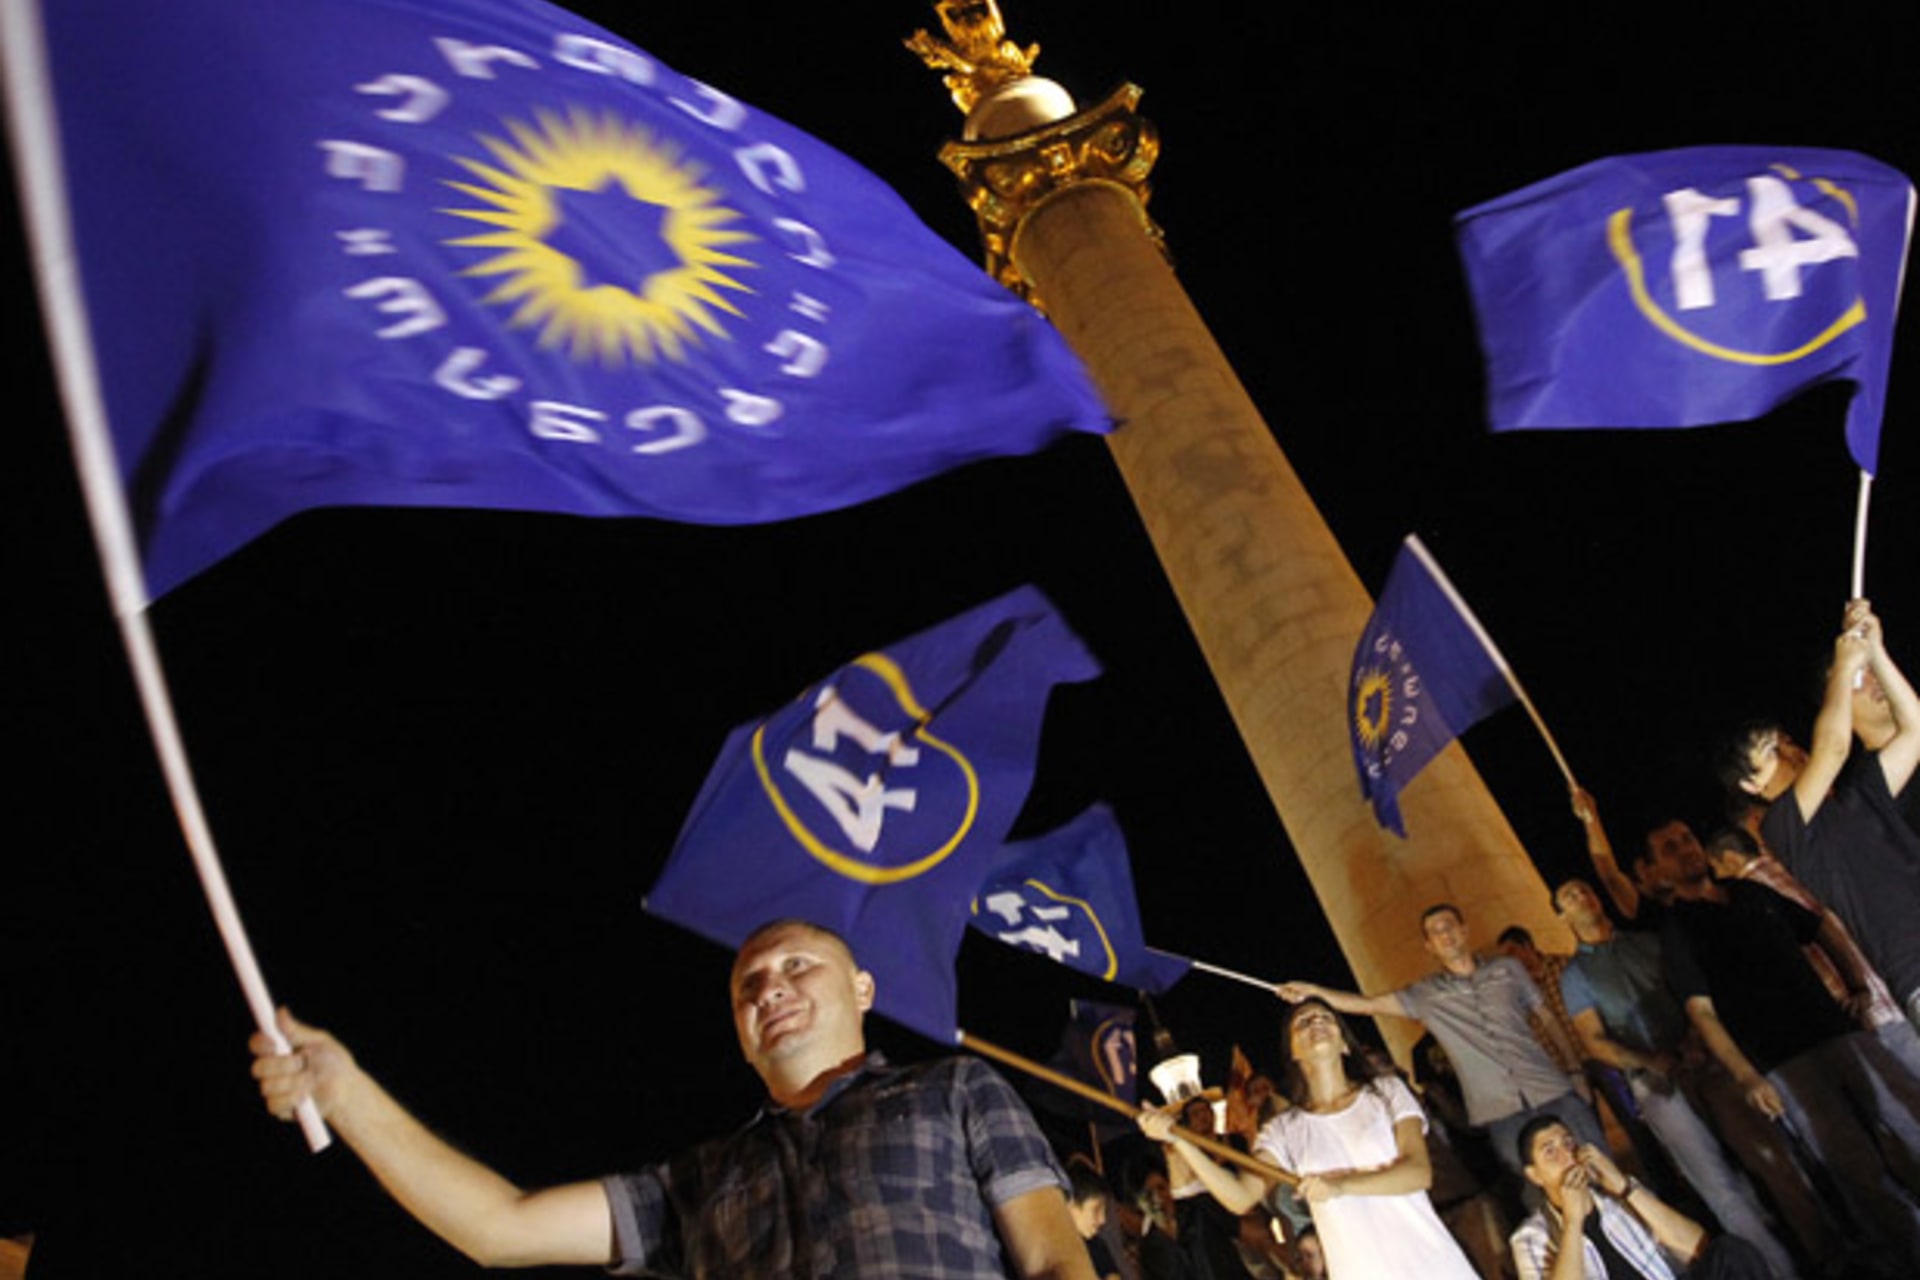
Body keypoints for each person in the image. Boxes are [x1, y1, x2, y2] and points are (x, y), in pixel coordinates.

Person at [250, 918, 1094, 1278]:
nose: (770, 987)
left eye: (798, 965)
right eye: (748, 985)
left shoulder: (950, 1089)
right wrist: (348, 1093)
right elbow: (501, 1228)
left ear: (863, 987)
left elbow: (1057, 1260)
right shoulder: (699, 1180)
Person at [1657, 832, 1920, 1264]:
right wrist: (1746, 1075)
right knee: (1857, 1170)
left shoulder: (1749, 892)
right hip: (1785, 1064)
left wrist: (1856, 984)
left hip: (1839, 1033)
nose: (1685, 848)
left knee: (1908, 1119)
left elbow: (1821, 927)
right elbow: (1703, 1014)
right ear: (1659, 871)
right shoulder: (1680, 930)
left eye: (1687, 839)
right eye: (1670, 848)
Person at [1551, 877, 1799, 1278]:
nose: (1581, 896)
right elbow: (1592, 1038)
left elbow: (1690, 994)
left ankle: (1821, 1249)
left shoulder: (1647, 942)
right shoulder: (1575, 974)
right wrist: (1651, 1060)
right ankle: (1773, 1272)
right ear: (1561, 916)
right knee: (1718, 1186)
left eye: (1584, 889)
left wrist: (1693, 1040)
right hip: (1655, 1085)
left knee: (1770, 1161)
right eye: (1568, 896)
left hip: (1704, 1062)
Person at [1136, 997, 1478, 1279]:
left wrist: (1339, 1187)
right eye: (1303, 1022)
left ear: (1344, 1043)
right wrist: (1179, 1141)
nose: (1316, 1023)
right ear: (1294, 1051)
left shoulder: (1385, 1092)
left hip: (1429, 1258)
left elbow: (1418, 1172)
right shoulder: (1284, 1129)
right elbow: (1240, 1198)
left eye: (1325, 1018)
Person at [1280, 903, 1607, 1176]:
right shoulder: (1425, 995)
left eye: (1449, 926)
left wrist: (1576, 1071)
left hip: (1553, 1089)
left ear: (1464, 930)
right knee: (1542, 1197)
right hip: (1500, 1113)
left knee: (1603, 1169)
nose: (1445, 935)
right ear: (1429, 946)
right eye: (1436, 932)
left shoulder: (1508, 968)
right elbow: (1369, 1004)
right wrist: (1316, 992)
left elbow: (1547, 1018)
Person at [1719, 600, 1920, 1026]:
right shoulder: (1785, 829)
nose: (1789, 749)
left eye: (1784, 739)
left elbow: (1915, 726)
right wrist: (1847, 665)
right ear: (1752, 786)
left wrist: (1876, 652)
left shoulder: (1859, 794)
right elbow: (1833, 746)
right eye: (1770, 753)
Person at [1509, 1117, 1770, 1280]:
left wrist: (1625, 1187)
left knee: (1731, 1252)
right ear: (1534, 1175)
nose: (1567, 1155)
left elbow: (1698, 1248)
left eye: (1568, 1143)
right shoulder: (1530, 1238)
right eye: (1550, 1152)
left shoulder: (1618, 1200)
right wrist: (1573, 1223)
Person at [1067, 1163, 1124, 1280]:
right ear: (1071, 1207)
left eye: (1104, 1211)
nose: (1102, 1219)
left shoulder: (1097, 1246)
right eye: (1096, 1209)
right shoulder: (1051, 1250)